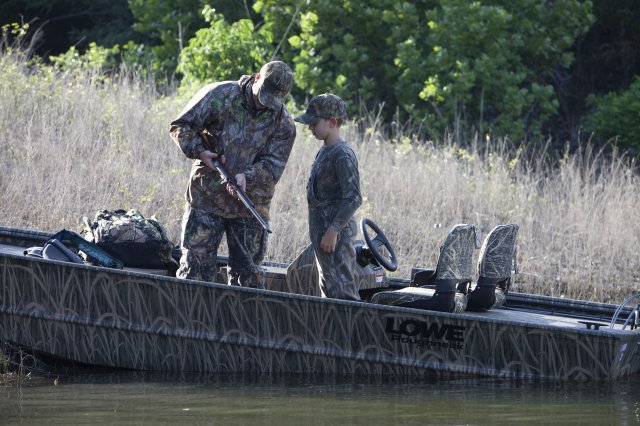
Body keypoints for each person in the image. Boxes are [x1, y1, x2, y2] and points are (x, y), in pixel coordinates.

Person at [169, 61, 296, 288]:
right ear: (257, 78)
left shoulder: (283, 122)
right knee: (194, 274)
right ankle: (191, 323)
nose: (263, 103)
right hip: (207, 198)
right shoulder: (221, 95)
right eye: (262, 95)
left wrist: (248, 176)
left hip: (250, 207)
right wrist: (201, 151)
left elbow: (274, 165)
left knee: (248, 279)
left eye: (272, 100)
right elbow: (181, 126)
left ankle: (237, 324)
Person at [294, 94, 362, 300]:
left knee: (342, 292)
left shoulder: (342, 154)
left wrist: (332, 232)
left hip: (335, 236)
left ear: (332, 122)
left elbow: (353, 198)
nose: (310, 128)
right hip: (324, 234)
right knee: (329, 287)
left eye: (314, 123)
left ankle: (347, 332)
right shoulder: (325, 151)